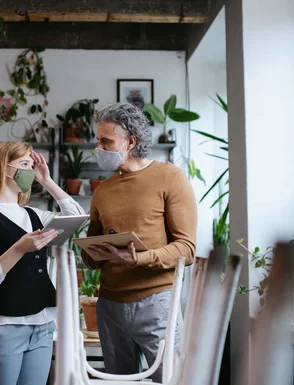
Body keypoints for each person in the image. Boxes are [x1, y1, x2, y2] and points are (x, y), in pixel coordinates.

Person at [81, 102, 197, 382]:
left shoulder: (170, 177)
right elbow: (91, 256)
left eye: (106, 141)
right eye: (98, 140)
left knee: (170, 379)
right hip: (109, 305)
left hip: (156, 303)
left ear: (130, 141)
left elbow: (187, 248)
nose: (99, 147)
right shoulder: (102, 191)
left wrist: (139, 259)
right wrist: (93, 251)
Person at [0, 141, 86, 385]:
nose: (30, 171)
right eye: (24, 165)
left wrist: (47, 182)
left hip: (42, 325)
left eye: (32, 165)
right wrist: (19, 248)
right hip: (5, 326)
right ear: (4, 167)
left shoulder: (33, 214)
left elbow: (77, 218)